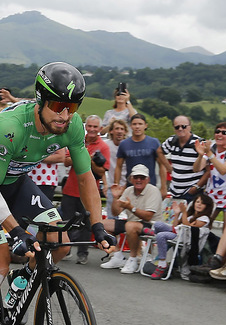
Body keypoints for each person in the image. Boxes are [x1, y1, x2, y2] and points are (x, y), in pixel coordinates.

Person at [0, 62, 116, 325]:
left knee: (61, 244)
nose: (65, 115)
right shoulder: (10, 125)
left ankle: (19, 285)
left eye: (72, 107)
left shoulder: (72, 126)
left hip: (16, 184)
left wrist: (97, 224)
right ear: (41, 100)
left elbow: (85, 179)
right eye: (58, 105)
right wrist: (15, 231)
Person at [61, 114, 110, 265]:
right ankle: (65, 250)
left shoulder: (103, 146)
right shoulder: (77, 140)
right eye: (89, 126)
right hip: (70, 188)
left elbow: (102, 171)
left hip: (89, 191)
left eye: (95, 127)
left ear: (101, 129)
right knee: (65, 222)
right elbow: (66, 161)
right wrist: (86, 156)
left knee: (87, 225)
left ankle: (83, 253)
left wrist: (85, 158)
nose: (92, 129)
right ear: (85, 127)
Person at [101, 164, 162, 273]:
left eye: (142, 178)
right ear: (131, 179)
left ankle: (133, 258)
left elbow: (148, 216)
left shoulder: (153, 191)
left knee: (130, 225)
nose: (139, 180)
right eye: (136, 177)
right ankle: (117, 256)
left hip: (152, 225)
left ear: (147, 179)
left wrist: (130, 208)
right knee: (101, 225)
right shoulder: (129, 190)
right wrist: (116, 198)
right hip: (132, 223)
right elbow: (116, 212)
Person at [145, 193, 213, 279]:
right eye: (197, 202)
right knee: (158, 224)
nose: (199, 204)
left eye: (202, 203)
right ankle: (154, 232)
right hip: (177, 231)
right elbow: (176, 225)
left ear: (207, 206)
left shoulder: (204, 218)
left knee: (161, 236)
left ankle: (162, 264)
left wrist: (184, 212)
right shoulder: (190, 216)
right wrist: (177, 214)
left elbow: (188, 228)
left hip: (184, 237)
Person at [193, 122, 226, 228]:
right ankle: (209, 244)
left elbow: (223, 170)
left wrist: (209, 154)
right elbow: (196, 169)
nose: (220, 134)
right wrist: (201, 155)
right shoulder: (211, 149)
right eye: (217, 131)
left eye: (224, 132)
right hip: (212, 196)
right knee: (203, 226)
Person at [114, 113, 170, 198]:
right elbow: (118, 167)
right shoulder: (124, 144)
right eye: (134, 124)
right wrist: (117, 185)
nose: (137, 127)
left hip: (150, 187)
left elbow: (161, 165)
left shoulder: (154, 143)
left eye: (140, 124)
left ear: (145, 126)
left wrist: (163, 187)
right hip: (131, 187)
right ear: (130, 126)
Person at [162, 115, 210, 202]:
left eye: (184, 126)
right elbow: (159, 151)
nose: (180, 129)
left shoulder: (199, 143)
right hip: (174, 192)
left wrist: (196, 187)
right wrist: (168, 168)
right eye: (177, 127)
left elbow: (207, 170)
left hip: (192, 193)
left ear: (190, 127)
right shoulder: (171, 141)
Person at [104, 118, 128, 218]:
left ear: (125, 132)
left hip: (128, 185)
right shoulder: (106, 145)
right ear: (111, 131)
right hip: (112, 186)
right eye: (117, 128)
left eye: (122, 129)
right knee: (112, 217)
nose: (119, 131)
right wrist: (105, 183)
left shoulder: (129, 145)